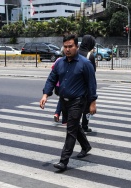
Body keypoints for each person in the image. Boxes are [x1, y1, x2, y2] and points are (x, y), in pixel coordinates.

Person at [40, 34, 97, 170]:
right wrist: (45, 94)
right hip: (64, 101)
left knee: (70, 130)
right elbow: (51, 79)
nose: (67, 49)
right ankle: (86, 146)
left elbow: (91, 84)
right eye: (65, 46)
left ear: (76, 46)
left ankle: (63, 161)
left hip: (78, 101)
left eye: (70, 46)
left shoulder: (85, 63)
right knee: (75, 126)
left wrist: (92, 102)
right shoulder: (60, 62)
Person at [78, 34, 96, 133]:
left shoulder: (75, 52)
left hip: (76, 85)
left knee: (76, 106)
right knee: (87, 108)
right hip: (86, 86)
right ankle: (84, 126)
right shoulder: (90, 55)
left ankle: (75, 124)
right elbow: (93, 73)